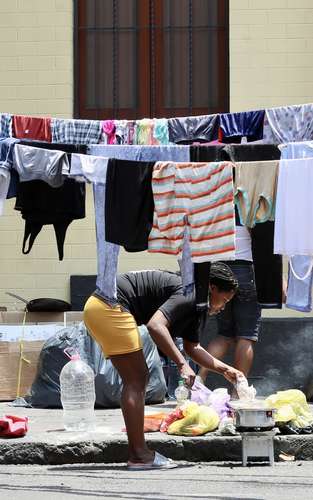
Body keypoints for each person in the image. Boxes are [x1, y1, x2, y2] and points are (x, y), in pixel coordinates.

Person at [83, 262, 242, 470]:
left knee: (137, 379)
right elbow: (155, 326)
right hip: (109, 306)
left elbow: (193, 347)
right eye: (224, 300)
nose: (223, 307)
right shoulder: (189, 292)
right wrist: (182, 364)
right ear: (212, 288)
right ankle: (139, 455)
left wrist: (225, 369)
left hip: (99, 307)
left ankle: (138, 453)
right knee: (137, 379)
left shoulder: (197, 303)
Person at [199, 222, 261, 387]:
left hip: (219, 268)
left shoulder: (215, 205)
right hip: (245, 268)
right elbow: (260, 239)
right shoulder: (247, 204)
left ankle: (200, 378)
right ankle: (238, 390)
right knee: (246, 336)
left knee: (224, 334)